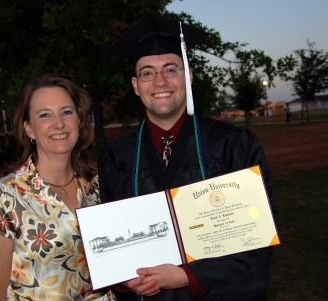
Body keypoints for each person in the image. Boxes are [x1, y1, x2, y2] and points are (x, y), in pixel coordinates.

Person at [98, 13, 279, 301]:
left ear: (189, 77)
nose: (159, 81)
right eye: (147, 72)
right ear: (135, 85)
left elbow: (257, 233)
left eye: (171, 69)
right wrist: (124, 280)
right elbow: (107, 239)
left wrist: (188, 276)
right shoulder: (115, 154)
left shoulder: (233, 145)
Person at [0, 74, 116, 300]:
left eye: (67, 112)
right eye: (45, 115)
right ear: (29, 129)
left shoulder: (101, 184)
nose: (58, 123)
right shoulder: (0, 197)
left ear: (79, 120)